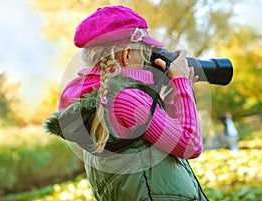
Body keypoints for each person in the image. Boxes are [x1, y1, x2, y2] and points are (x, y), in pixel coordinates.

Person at [45, 5, 208, 201]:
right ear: (127, 54)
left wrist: (174, 91)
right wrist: (182, 82)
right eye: (145, 53)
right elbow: (190, 145)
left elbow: (169, 133)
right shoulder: (125, 98)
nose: (147, 61)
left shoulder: (96, 98)